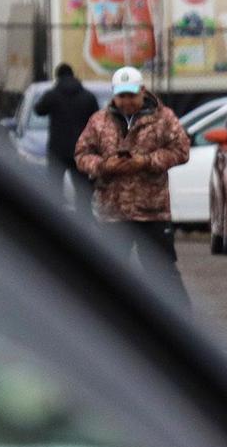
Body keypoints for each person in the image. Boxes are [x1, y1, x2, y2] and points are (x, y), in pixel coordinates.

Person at [74, 66, 191, 308]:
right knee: (109, 273)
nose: (126, 101)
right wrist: (104, 166)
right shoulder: (98, 121)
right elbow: (81, 154)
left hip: (152, 210)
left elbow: (181, 151)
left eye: (131, 95)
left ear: (142, 91)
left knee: (162, 273)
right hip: (112, 211)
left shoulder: (164, 118)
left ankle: (179, 323)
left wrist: (146, 162)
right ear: (114, 95)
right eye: (121, 95)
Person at [33, 62, 99, 222]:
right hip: (81, 151)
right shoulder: (88, 97)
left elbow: (38, 110)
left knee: (55, 187)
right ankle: (85, 223)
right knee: (83, 192)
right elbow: (97, 121)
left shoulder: (52, 95)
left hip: (57, 150)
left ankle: (57, 221)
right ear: (73, 75)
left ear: (58, 77)